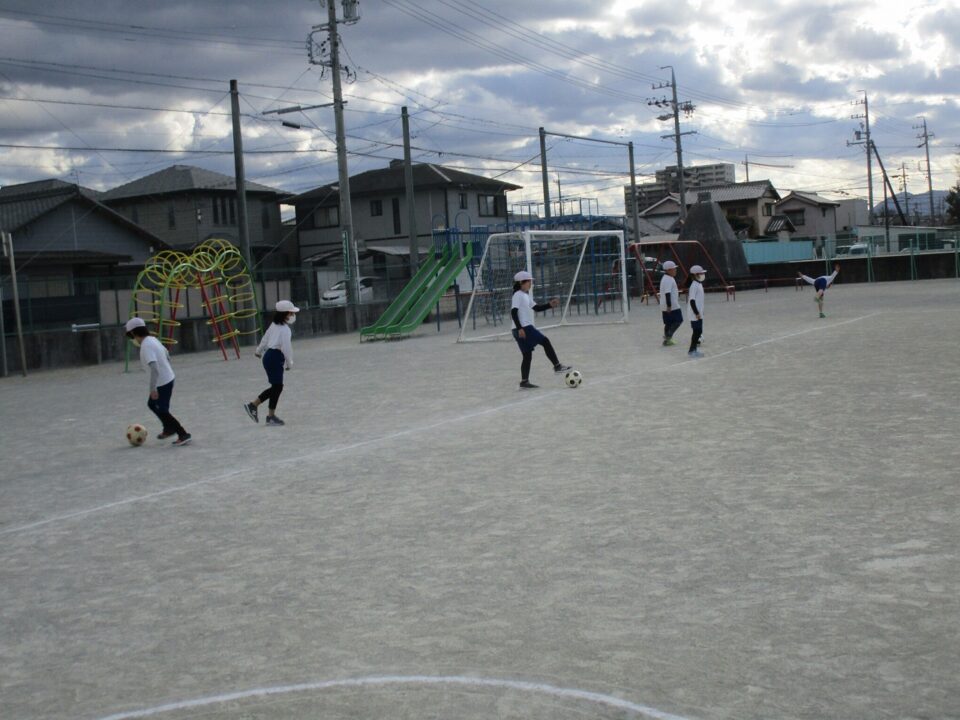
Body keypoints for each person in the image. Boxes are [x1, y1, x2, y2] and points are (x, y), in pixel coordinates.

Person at [125, 317, 191, 446]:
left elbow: (154, 368)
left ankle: (183, 434)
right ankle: (168, 428)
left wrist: (153, 388)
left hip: (162, 383)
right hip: (167, 378)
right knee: (152, 404)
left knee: (162, 410)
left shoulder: (146, 346)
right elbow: (167, 354)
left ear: (133, 333)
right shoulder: (152, 339)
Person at [510, 270, 571, 389]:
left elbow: (537, 308)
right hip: (524, 327)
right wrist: (520, 328)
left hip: (518, 329)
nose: (530, 284)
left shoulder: (525, 295)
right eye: (528, 282)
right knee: (545, 341)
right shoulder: (518, 295)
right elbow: (513, 312)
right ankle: (557, 366)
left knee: (527, 355)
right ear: (521, 282)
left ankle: (524, 382)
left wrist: (549, 305)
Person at [244, 300, 299, 426]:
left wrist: (258, 351)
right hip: (275, 357)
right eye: (291, 313)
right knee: (277, 387)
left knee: (276, 387)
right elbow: (286, 348)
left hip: (268, 356)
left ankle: (257, 407)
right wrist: (289, 363)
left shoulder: (274, 325)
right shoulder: (285, 330)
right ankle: (266, 414)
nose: (293, 315)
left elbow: (265, 338)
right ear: (285, 314)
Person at [659, 260, 683, 346]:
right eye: (674, 269)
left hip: (664, 305)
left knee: (668, 323)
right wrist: (669, 305)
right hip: (672, 305)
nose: (675, 270)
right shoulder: (668, 279)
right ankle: (668, 336)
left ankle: (667, 341)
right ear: (668, 270)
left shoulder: (665, 278)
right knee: (679, 320)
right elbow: (667, 293)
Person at [687, 264, 706, 358]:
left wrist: (701, 311)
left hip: (699, 313)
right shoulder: (694, 285)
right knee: (697, 331)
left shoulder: (699, 284)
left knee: (699, 331)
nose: (702, 275)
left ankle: (693, 349)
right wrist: (697, 313)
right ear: (695, 275)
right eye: (700, 273)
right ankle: (692, 350)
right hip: (695, 314)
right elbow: (692, 300)